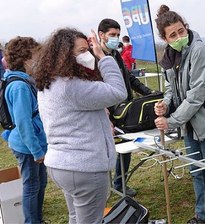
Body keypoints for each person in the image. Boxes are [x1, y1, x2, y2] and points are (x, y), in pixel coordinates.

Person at [33, 28, 127, 223]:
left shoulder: (51, 82)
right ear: (65, 55)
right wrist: (103, 57)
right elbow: (118, 91)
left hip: (63, 165)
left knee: (76, 217)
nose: (87, 55)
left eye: (88, 50)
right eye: (82, 51)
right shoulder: (72, 86)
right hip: (85, 167)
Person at [154, 5, 205, 223]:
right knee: (196, 172)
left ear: (186, 27)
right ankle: (201, 216)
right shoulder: (169, 57)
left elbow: (196, 96)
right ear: (165, 38)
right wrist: (165, 105)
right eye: (173, 34)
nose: (179, 36)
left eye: (181, 30)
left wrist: (171, 121)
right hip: (190, 123)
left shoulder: (198, 50)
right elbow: (171, 88)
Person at [98, 18, 154, 197]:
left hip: (123, 110)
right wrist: (105, 115)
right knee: (105, 150)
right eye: (112, 35)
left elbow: (129, 78)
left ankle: (120, 183)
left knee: (126, 149)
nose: (115, 38)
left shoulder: (116, 54)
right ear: (101, 35)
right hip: (105, 111)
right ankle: (102, 189)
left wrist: (148, 92)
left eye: (117, 35)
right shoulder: (95, 58)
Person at [2, 36, 47, 224]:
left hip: (33, 143)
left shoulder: (23, 80)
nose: (39, 60)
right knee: (31, 186)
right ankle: (32, 221)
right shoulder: (19, 86)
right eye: (36, 56)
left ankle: (37, 218)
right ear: (26, 58)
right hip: (27, 145)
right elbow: (23, 122)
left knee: (40, 183)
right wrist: (36, 150)